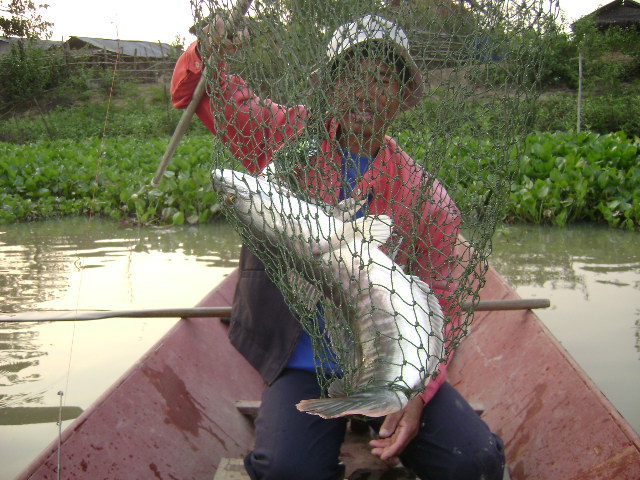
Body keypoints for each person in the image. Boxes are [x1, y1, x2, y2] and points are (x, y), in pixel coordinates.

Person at [172, 12, 505, 480]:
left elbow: (442, 306)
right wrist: (209, 52)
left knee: (474, 462)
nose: (366, 92)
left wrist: (415, 393)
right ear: (329, 85)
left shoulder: (425, 196)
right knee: (289, 471)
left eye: (383, 79)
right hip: (307, 362)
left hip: (392, 363)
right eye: (351, 77)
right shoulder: (286, 139)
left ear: (402, 97)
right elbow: (196, 93)